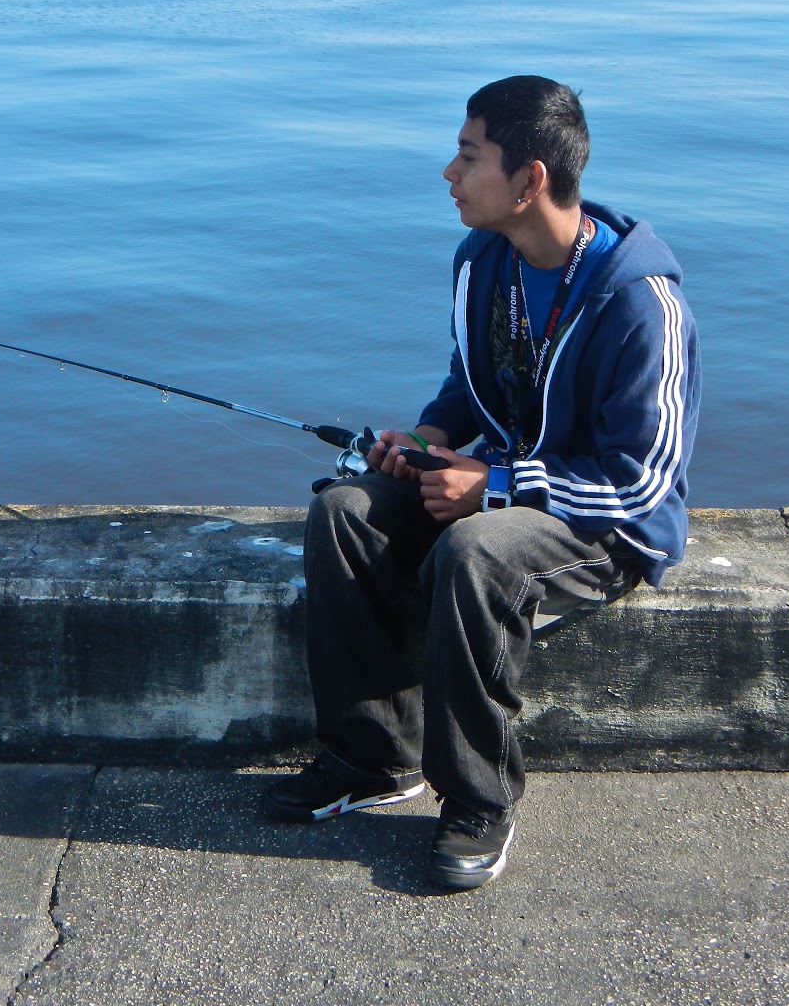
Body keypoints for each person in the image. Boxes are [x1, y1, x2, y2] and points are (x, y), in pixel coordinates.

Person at [266, 75, 700, 891]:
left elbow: (643, 481)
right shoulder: (484, 261)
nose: (449, 173)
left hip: (603, 526)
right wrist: (426, 441)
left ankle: (479, 799)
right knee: (346, 511)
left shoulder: (642, 303)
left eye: (469, 157)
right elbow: (471, 384)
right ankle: (371, 761)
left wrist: (495, 487)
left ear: (529, 179)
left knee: (476, 551)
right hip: (502, 484)